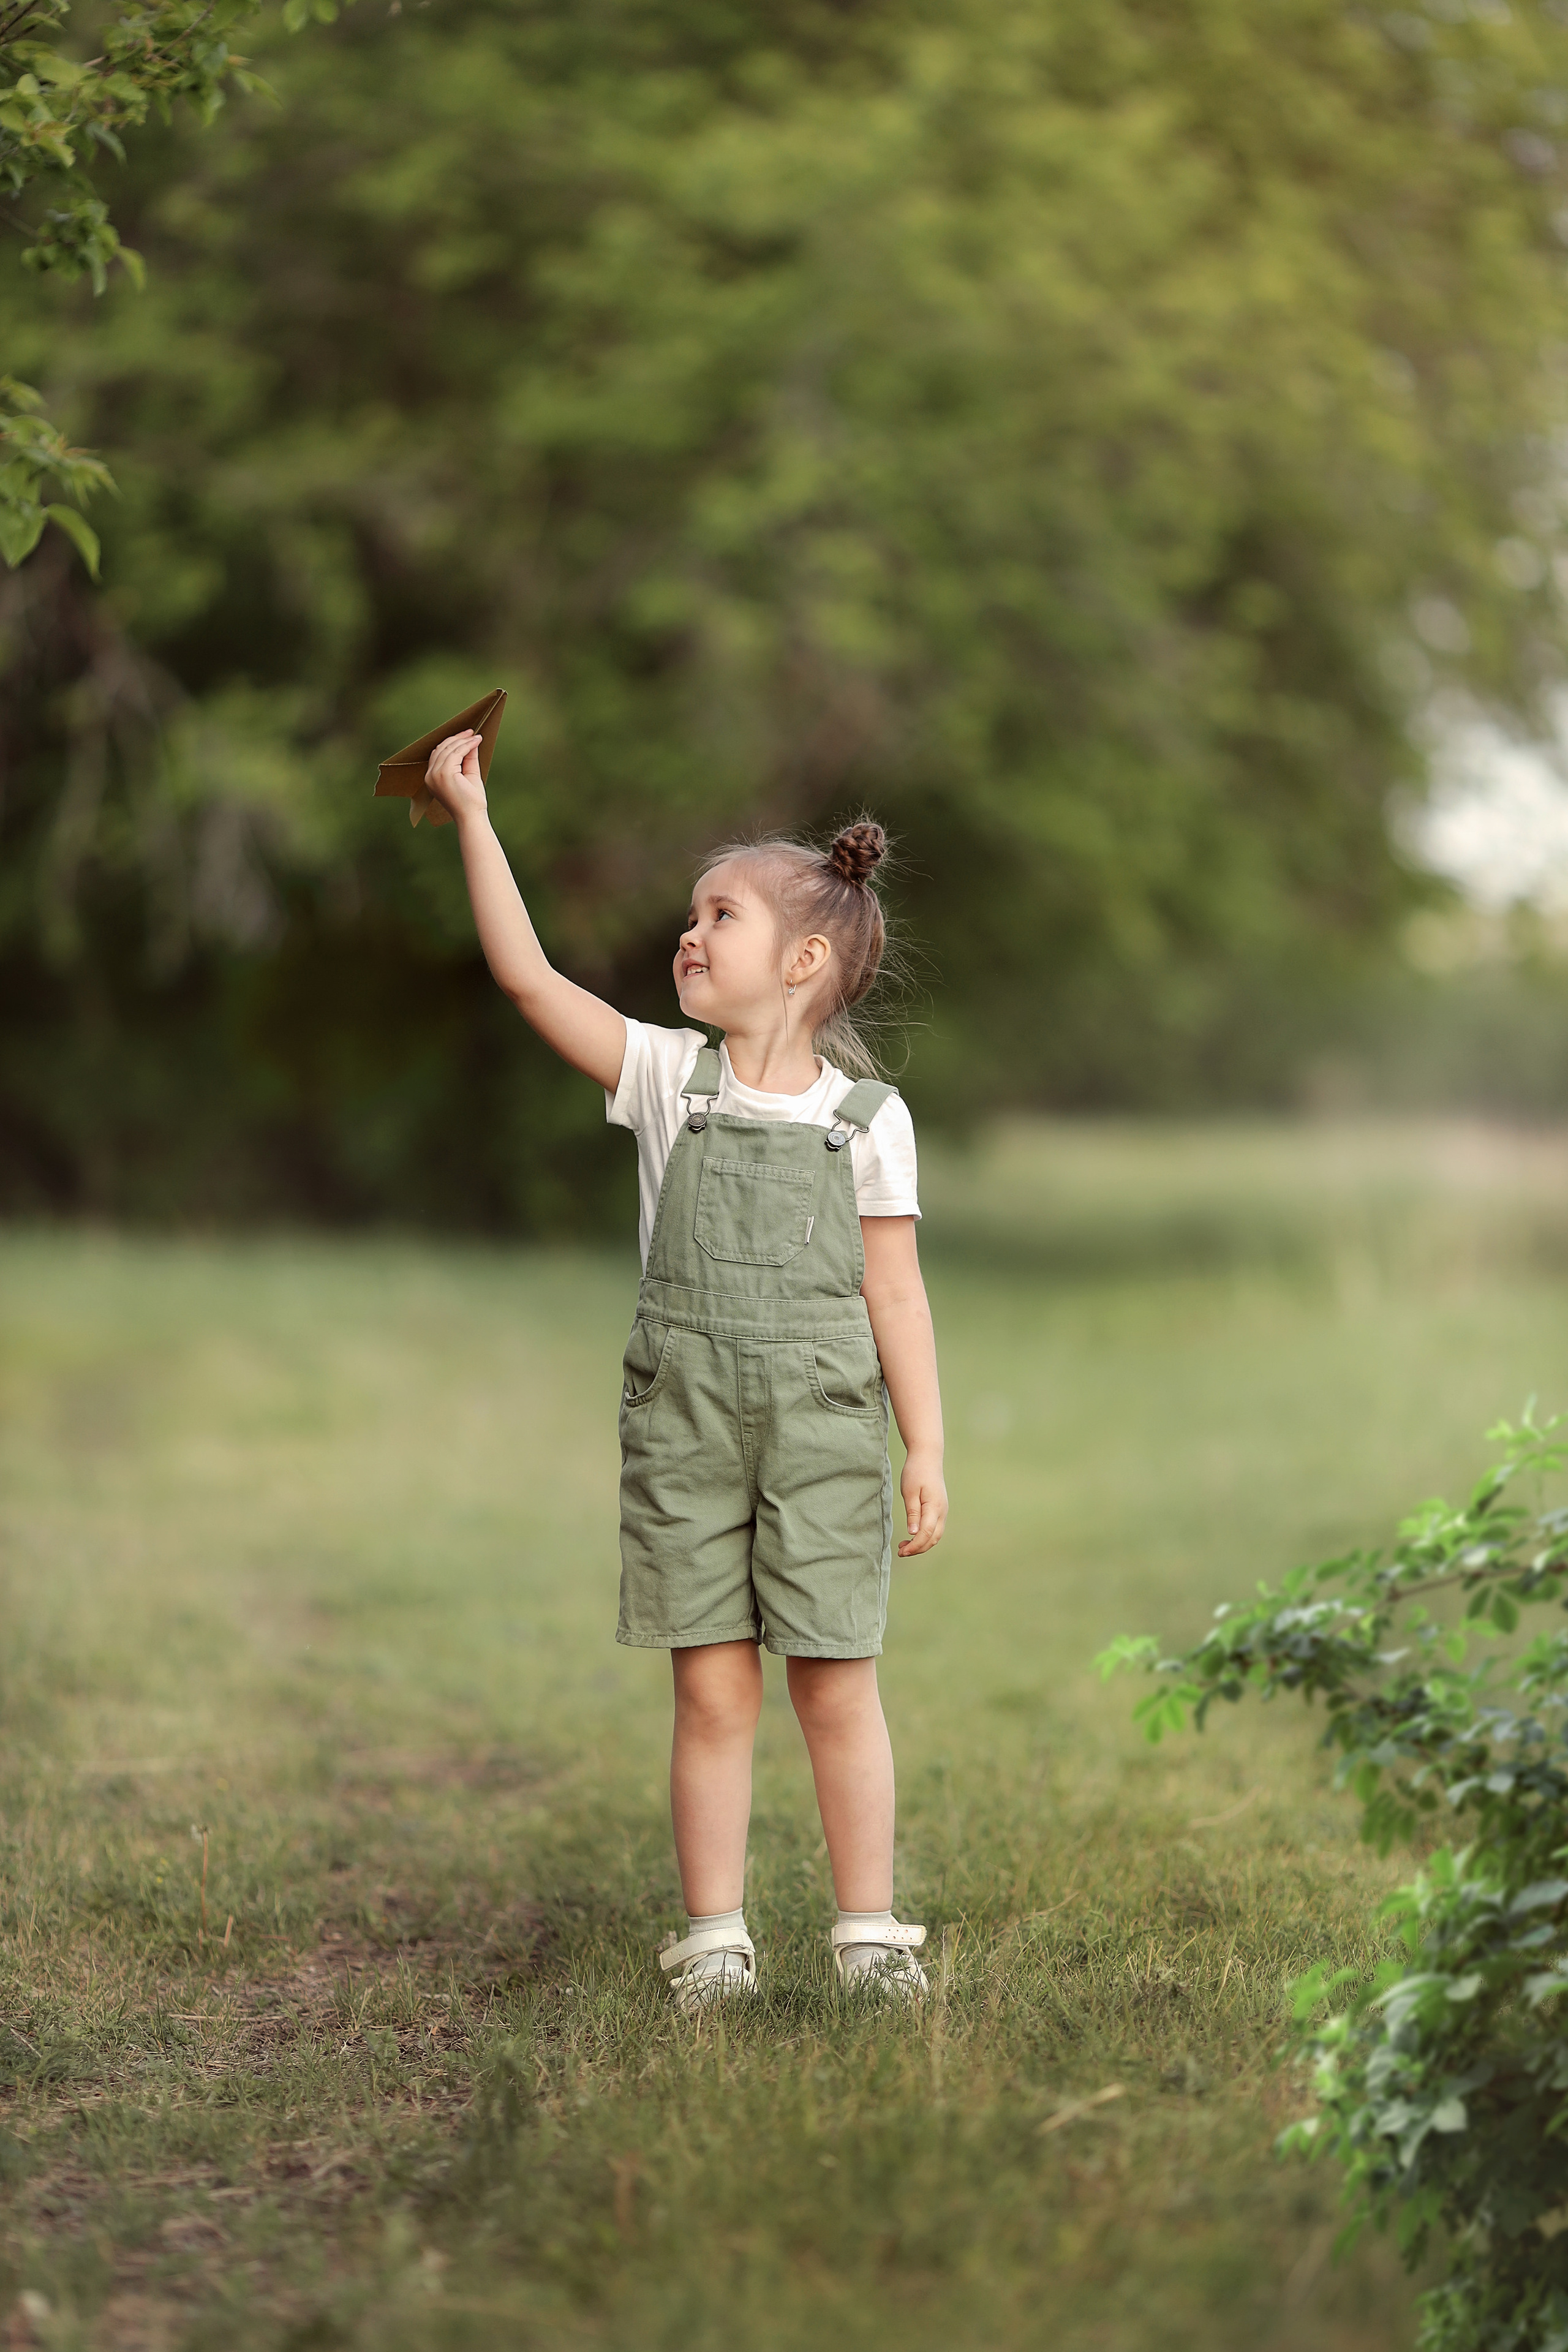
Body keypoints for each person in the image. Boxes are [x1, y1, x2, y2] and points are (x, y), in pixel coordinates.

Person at [423, 728, 948, 2009]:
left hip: (825, 1429)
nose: (690, 935)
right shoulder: (667, 1078)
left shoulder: (867, 1123)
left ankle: (866, 1932)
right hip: (688, 1424)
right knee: (712, 1690)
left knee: (833, 1681)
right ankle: (713, 1939)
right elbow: (530, 980)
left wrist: (925, 1444)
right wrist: (472, 816)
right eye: (690, 916)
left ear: (804, 961)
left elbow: (893, 1288)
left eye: (720, 915)